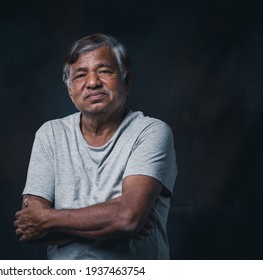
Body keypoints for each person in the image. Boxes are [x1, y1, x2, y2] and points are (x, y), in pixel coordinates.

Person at [14, 33, 178, 259]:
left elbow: (128, 217)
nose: (92, 82)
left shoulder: (150, 132)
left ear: (126, 80)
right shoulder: (50, 134)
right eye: (80, 75)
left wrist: (48, 218)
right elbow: (31, 229)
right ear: (69, 88)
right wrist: (115, 215)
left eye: (104, 71)